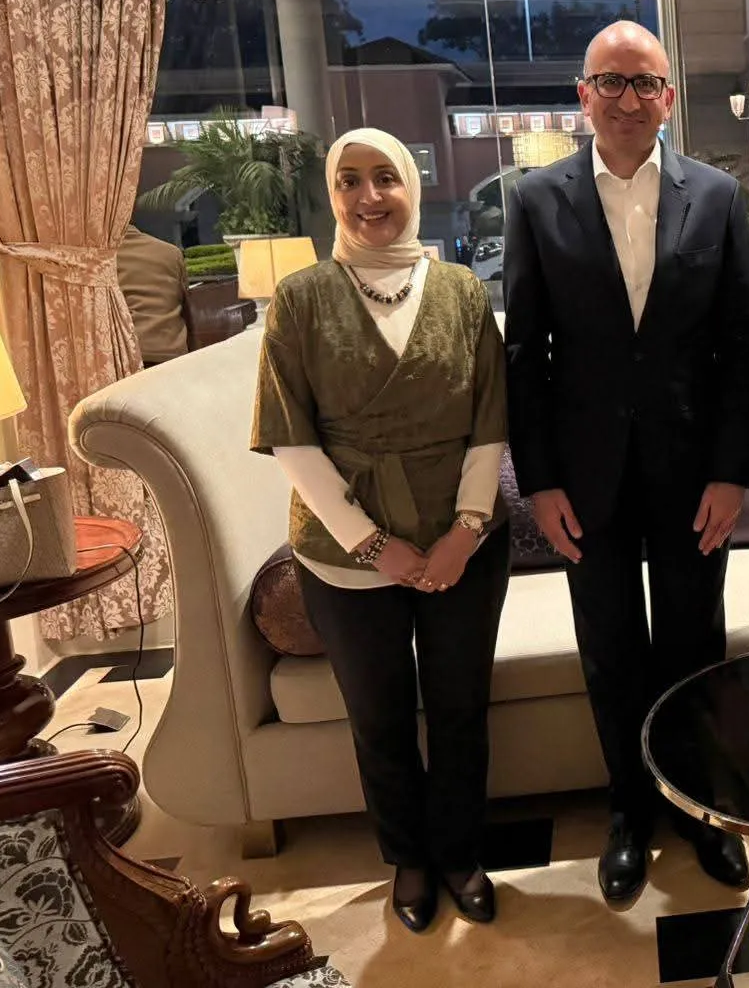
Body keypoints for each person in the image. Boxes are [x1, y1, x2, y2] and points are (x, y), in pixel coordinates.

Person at [504, 21, 749, 905]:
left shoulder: (717, 196)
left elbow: (741, 347)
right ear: (583, 96)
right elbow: (525, 354)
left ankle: (699, 807)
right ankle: (629, 811)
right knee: (609, 650)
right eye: (609, 82)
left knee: (695, 644)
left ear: (668, 98)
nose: (626, 98)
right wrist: (538, 482)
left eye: (643, 82)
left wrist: (732, 472)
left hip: (694, 476)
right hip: (586, 478)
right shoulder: (536, 200)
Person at [251, 128, 510, 934]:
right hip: (343, 554)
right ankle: (408, 858)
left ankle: (461, 853)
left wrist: (466, 530)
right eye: (350, 181)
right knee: (380, 716)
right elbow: (291, 438)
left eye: (386, 178)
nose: (370, 197)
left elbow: (490, 420)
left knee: (462, 707)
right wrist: (373, 545)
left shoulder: (462, 291)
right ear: (333, 196)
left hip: (464, 540)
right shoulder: (299, 299)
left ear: (411, 188)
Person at [117, 224, 189, 365]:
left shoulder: (98, 259)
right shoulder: (171, 252)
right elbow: (184, 300)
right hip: (175, 354)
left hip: (129, 357)